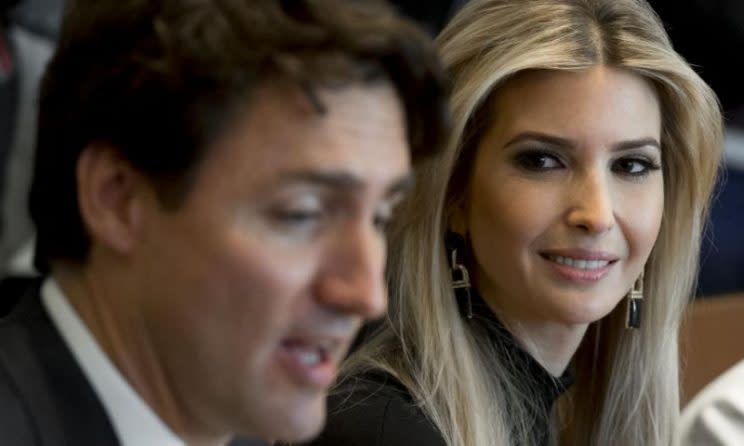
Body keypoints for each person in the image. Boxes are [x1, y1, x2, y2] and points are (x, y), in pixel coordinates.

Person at [0, 0, 449, 445]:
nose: (368, 296)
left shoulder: (233, 422)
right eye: (302, 214)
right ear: (116, 198)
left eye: (380, 217)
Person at [306, 0, 723, 445]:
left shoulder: (558, 414)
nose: (597, 215)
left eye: (632, 165)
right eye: (542, 160)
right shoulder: (382, 429)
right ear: (451, 191)